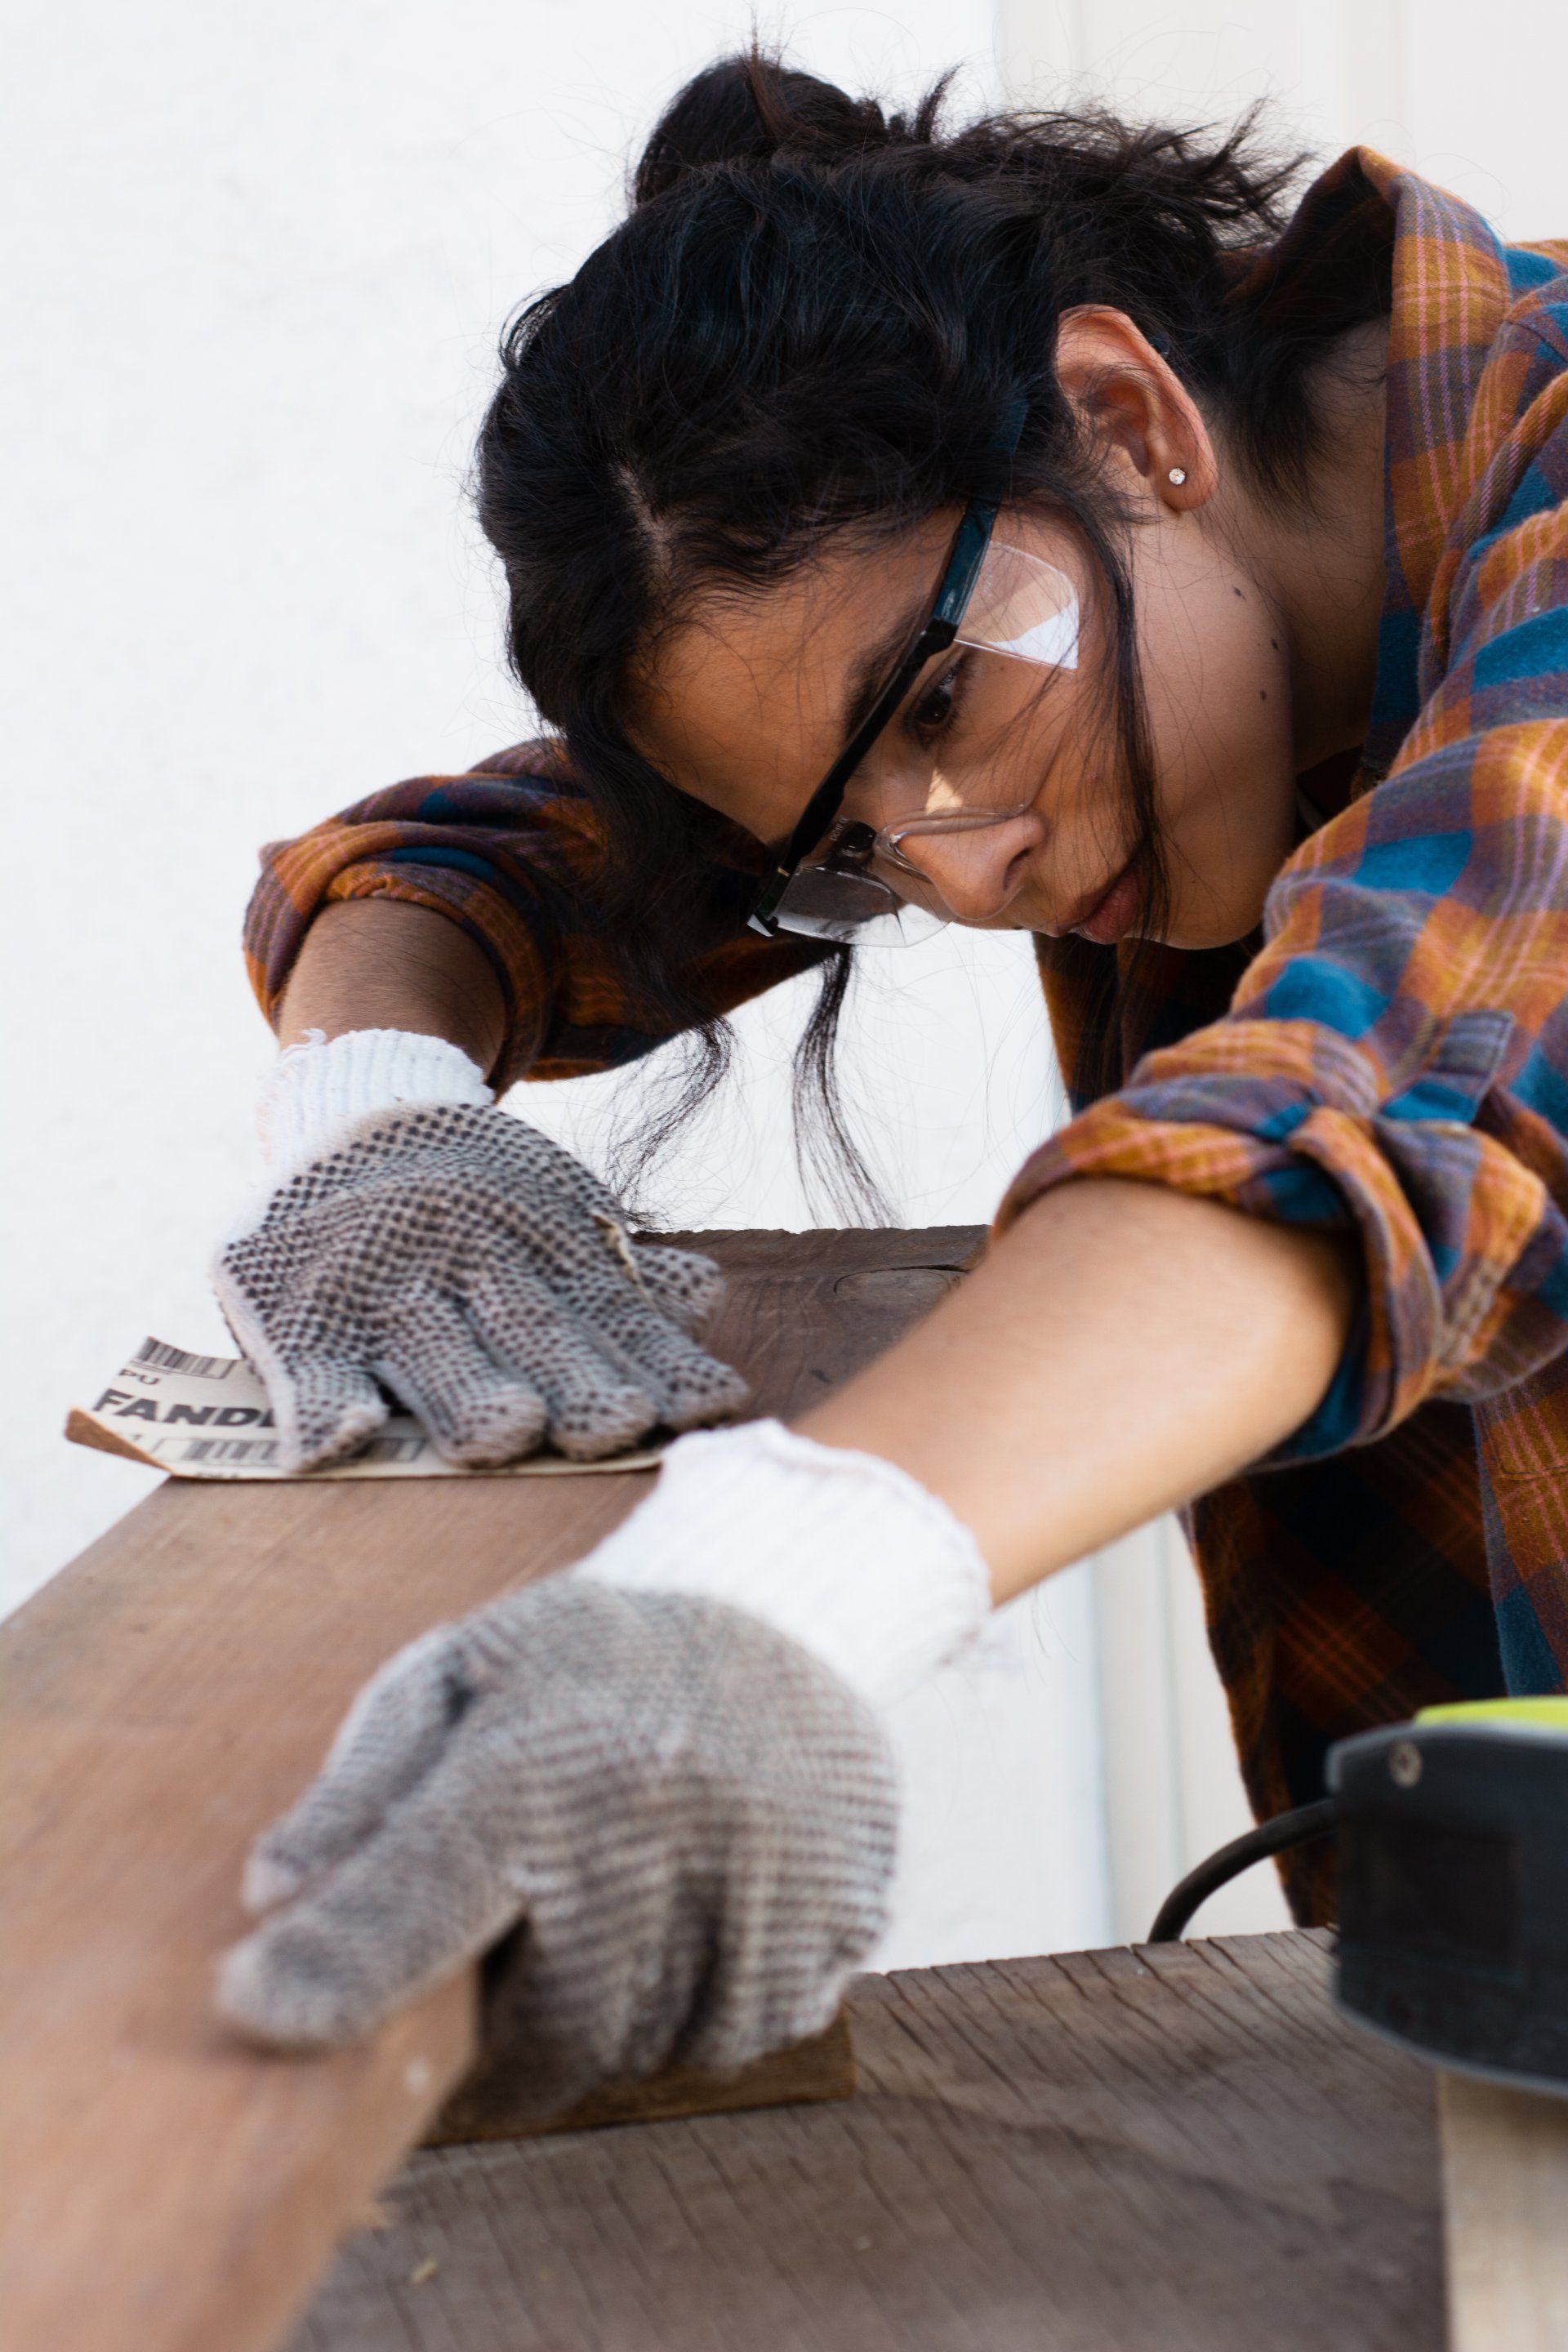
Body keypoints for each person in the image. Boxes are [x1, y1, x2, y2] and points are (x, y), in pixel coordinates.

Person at [216, 52, 1568, 2107]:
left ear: (1125, 417)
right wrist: (380, 1117)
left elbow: (1390, 1087)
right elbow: (457, 867)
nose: (965, 871)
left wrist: (769, 1592)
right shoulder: (1108, 690)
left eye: (939, 708)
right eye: (856, 854)